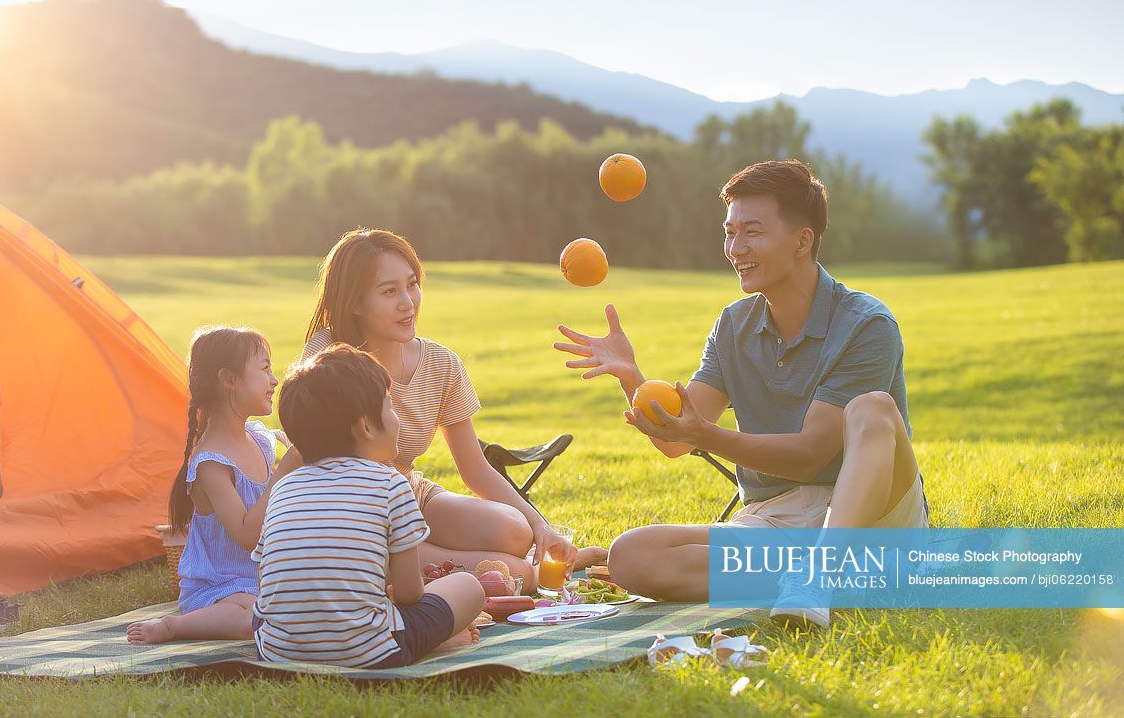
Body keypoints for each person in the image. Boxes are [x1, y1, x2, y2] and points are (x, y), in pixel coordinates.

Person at [554, 159, 929, 629]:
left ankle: (824, 575)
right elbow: (677, 440)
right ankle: (840, 579)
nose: (735, 248)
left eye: (751, 232)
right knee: (632, 555)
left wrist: (706, 435)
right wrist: (632, 376)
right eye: (729, 232)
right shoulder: (734, 325)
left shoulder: (866, 323)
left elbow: (809, 456)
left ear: (802, 240)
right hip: (778, 520)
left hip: (876, 518)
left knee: (873, 408)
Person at [295, 228, 603, 586]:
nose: (408, 302)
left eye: (412, 284)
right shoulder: (329, 358)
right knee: (513, 575)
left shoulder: (441, 364)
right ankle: (534, 569)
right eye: (389, 291)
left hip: (411, 495)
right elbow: (307, 457)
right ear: (355, 302)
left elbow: (475, 469)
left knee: (516, 531)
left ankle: (536, 557)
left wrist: (541, 527)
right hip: (357, 519)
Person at [255, 343, 484, 668]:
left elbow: (268, 578)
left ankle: (424, 634)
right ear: (364, 426)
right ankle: (436, 639)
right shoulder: (391, 484)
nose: (396, 418)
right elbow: (408, 595)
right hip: (371, 651)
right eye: (390, 407)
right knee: (468, 586)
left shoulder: (283, 488)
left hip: (277, 650)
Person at [127, 326, 288, 644]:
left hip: (261, 579)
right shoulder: (211, 463)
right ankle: (173, 626)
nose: (274, 380)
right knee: (249, 620)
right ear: (229, 379)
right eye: (265, 369)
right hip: (221, 587)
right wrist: (283, 475)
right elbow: (245, 534)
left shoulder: (259, 439)